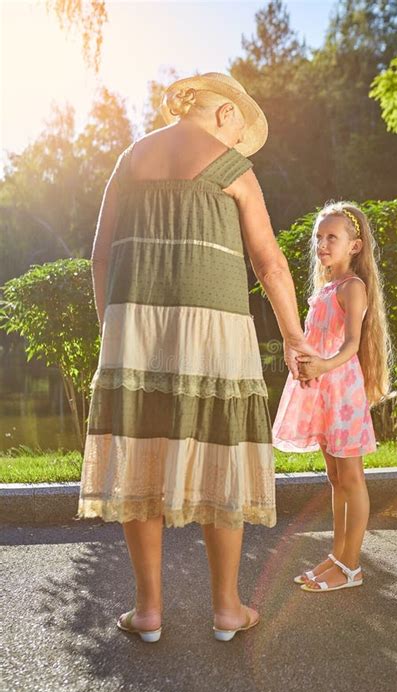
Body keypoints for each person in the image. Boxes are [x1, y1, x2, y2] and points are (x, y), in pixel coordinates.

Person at [75, 72, 316, 641]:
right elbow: (270, 263)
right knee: (220, 456)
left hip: (136, 326)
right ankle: (228, 609)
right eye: (237, 132)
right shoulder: (235, 169)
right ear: (226, 114)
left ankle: (150, 612)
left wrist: (115, 329)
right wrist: (294, 335)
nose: (235, 145)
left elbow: (99, 256)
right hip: (214, 332)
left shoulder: (130, 159)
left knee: (141, 453)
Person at [272, 201, 393, 592]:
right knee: (335, 477)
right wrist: (302, 361)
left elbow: (351, 345)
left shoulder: (352, 287)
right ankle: (338, 555)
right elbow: (313, 339)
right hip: (323, 391)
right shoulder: (325, 288)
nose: (322, 244)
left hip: (342, 393)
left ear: (354, 246)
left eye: (332, 238)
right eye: (319, 238)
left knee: (352, 477)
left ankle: (351, 566)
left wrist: (323, 366)